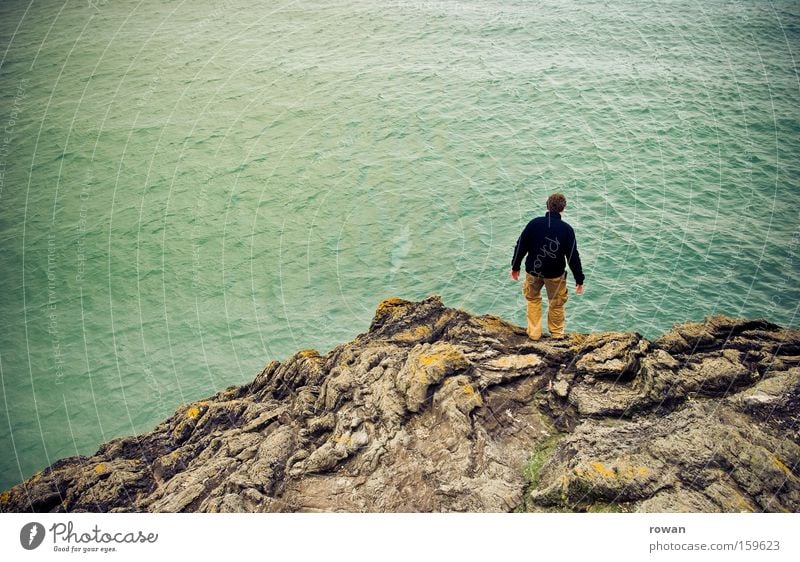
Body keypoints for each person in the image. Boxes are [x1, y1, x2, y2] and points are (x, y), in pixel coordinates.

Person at [510, 192, 585, 341]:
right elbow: (572, 256)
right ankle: (557, 336)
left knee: (533, 299)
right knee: (556, 304)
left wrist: (515, 266)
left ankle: (534, 334)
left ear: (547, 205)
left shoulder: (534, 224)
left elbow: (521, 246)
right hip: (555, 274)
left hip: (533, 270)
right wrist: (579, 278)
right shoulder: (567, 230)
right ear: (563, 209)